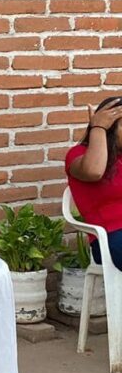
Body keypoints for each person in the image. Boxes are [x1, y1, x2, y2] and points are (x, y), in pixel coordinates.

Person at [65, 96, 122, 268]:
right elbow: (94, 171)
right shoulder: (77, 155)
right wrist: (98, 127)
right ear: (110, 128)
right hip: (111, 238)